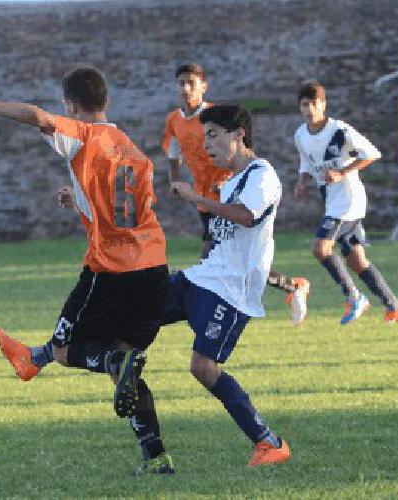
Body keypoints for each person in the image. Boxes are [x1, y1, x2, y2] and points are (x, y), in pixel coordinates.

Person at [0, 66, 175, 475]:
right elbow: (128, 212)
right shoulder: (133, 150)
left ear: (71, 104)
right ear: (107, 101)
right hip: (154, 268)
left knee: (74, 352)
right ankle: (156, 458)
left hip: (111, 268)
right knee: (120, 356)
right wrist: (80, 201)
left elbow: (38, 117)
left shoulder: (83, 135)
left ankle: (44, 359)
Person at [164, 103, 292, 467]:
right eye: (205, 137)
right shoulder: (230, 182)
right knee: (137, 307)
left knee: (203, 369)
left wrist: (196, 199)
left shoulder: (261, 174)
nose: (207, 145)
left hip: (230, 292)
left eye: (214, 135)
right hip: (203, 278)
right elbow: (225, 236)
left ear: (239, 134)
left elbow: (248, 217)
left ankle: (269, 443)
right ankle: (47, 354)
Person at [162, 63, 311, 326]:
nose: (185, 89)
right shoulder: (174, 120)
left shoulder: (215, 117)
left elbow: (237, 155)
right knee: (227, 253)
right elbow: (173, 152)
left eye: (191, 83)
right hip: (202, 196)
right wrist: (175, 181)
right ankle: (292, 286)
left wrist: (229, 184)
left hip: (224, 193)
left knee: (222, 251)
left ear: (203, 87)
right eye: (181, 83)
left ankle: (206, 306)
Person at [291, 81, 398, 325]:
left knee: (320, 248)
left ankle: (354, 297)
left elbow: (372, 153)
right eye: (305, 104)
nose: (310, 108)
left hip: (348, 201)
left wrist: (342, 172)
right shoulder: (301, 135)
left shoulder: (340, 130)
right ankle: (395, 307)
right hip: (333, 202)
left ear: (323, 105)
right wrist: (302, 182)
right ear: (300, 107)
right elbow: (307, 163)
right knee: (357, 261)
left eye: (314, 103)